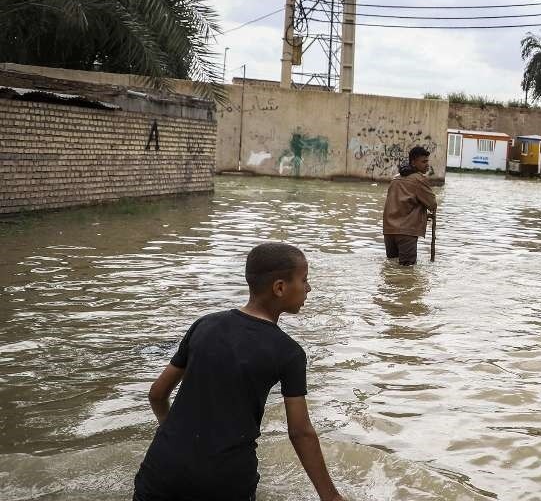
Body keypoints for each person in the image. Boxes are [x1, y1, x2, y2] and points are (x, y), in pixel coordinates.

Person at [133, 242, 344, 501]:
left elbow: (157, 393)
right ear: (280, 287)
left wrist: (172, 435)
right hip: (224, 480)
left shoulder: (204, 325)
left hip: (161, 469)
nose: (308, 289)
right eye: (304, 280)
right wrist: (331, 497)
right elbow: (300, 432)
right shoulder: (289, 353)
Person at [382, 145, 437, 266]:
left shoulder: (395, 178)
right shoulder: (419, 180)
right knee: (407, 270)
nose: (427, 165)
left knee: (392, 266)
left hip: (389, 231)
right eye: (423, 162)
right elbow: (432, 204)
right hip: (406, 232)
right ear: (413, 162)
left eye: (427, 161)